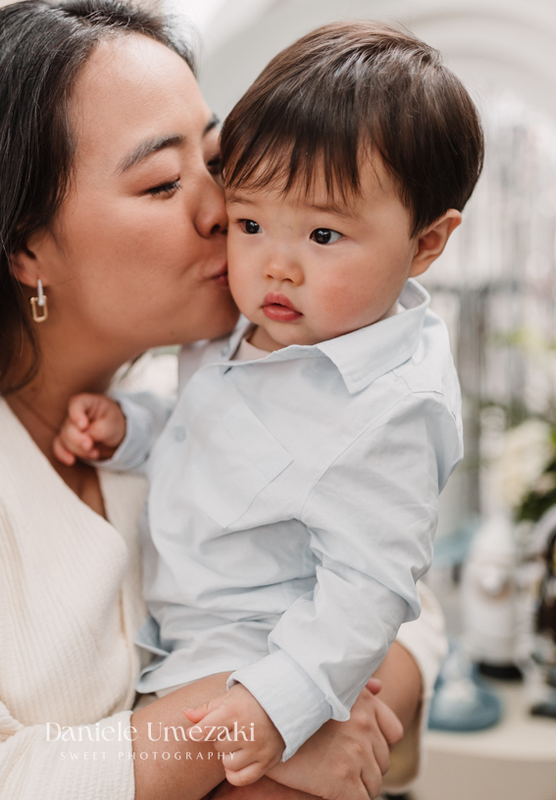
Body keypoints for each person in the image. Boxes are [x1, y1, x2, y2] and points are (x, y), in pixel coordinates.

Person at [0, 3, 445, 799]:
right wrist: (245, 724)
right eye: (165, 182)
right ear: (26, 245)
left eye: (216, 159)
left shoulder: (186, 403)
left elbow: (393, 594)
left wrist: (319, 714)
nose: (228, 211)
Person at [52, 21, 482, 786]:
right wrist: (135, 429)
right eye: (250, 222)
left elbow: (372, 588)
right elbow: (214, 431)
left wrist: (279, 704)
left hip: (270, 662)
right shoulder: (248, 330)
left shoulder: (389, 409)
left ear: (426, 243)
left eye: (323, 233)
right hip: (186, 653)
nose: (275, 266)